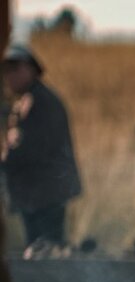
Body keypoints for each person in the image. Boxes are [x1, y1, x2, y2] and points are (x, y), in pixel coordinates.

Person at [2, 43, 81, 247]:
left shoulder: (39, 101)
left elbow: (29, 148)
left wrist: (6, 160)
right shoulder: (30, 100)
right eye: (6, 71)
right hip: (39, 193)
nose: (9, 76)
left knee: (45, 254)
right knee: (42, 251)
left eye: (14, 69)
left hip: (44, 194)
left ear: (30, 69)